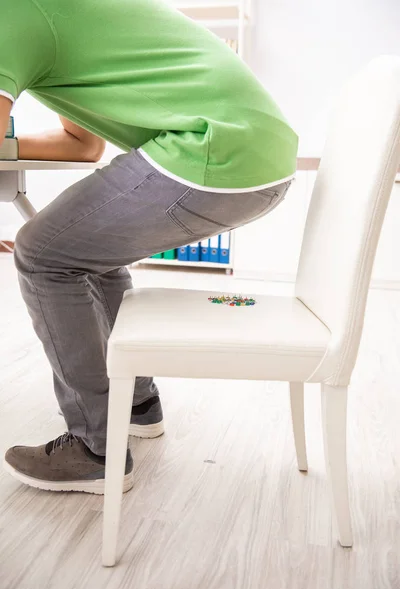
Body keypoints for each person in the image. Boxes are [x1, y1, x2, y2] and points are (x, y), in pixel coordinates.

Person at [1, 0, 298, 494]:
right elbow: (82, 144)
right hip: (255, 155)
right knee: (83, 251)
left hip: (211, 152)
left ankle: (95, 447)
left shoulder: (13, 13)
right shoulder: (56, 15)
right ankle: (136, 403)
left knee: (43, 254)